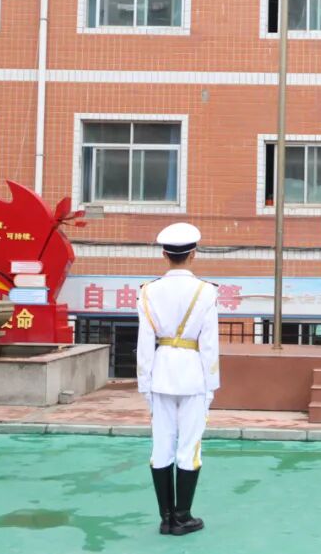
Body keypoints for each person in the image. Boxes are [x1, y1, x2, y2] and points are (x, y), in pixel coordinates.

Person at [137, 222, 220, 537]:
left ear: (164, 254)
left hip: (160, 374)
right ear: (193, 254)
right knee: (189, 447)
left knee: (161, 447)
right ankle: (183, 516)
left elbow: (145, 344)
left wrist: (145, 385)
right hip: (193, 375)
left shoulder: (148, 291)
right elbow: (209, 345)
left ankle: (166, 517)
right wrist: (211, 386)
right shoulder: (206, 292)